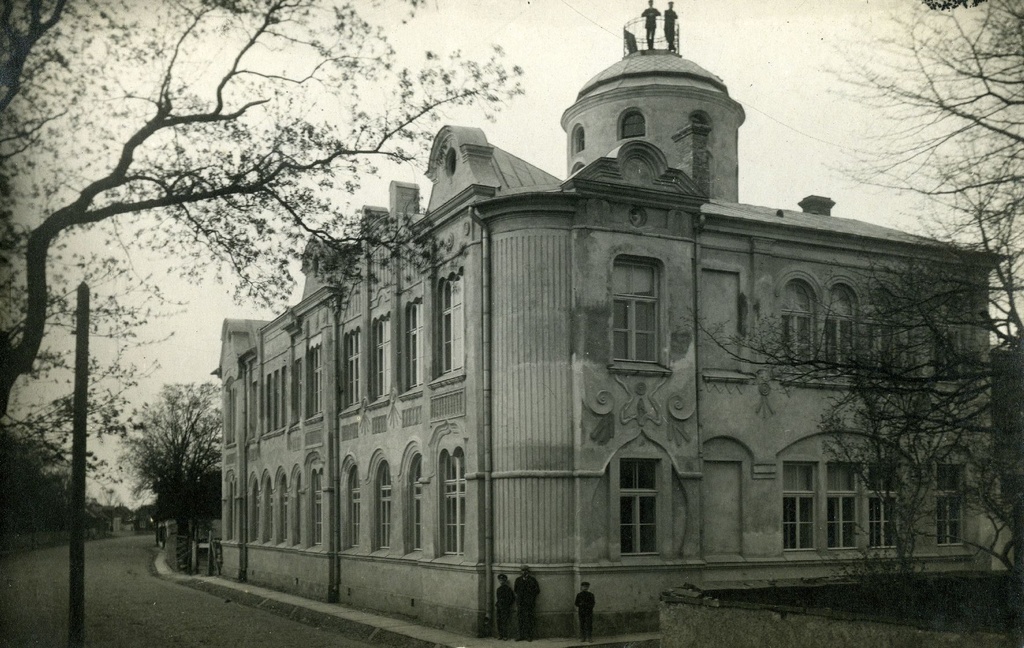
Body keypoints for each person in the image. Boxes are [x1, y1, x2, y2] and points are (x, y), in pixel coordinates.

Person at [514, 565, 540, 641]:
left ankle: (529, 636)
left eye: (525, 570)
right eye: (522, 570)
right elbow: (516, 590)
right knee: (520, 619)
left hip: (529, 603)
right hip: (520, 603)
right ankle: (521, 636)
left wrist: (530, 597)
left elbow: (537, 590)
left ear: (528, 571)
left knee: (529, 619)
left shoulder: (532, 580)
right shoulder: (518, 580)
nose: (524, 572)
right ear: (521, 571)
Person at [495, 573, 515, 640]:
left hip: (505, 607)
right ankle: (500, 635)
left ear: (505, 581)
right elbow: (498, 598)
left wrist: (507, 605)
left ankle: (505, 635)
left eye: (503, 580)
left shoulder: (508, 589)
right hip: (499, 607)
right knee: (499, 621)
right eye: (500, 580)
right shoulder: (498, 589)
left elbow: (512, 598)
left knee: (504, 621)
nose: (501, 581)